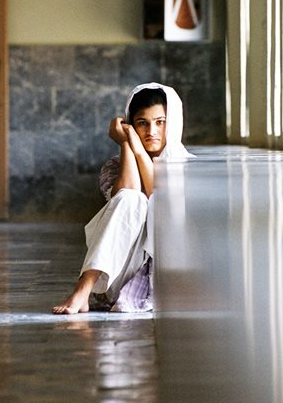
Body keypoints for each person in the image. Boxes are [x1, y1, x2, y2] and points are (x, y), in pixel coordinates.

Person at [52, 82, 193, 314]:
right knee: (129, 198)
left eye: (160, 122)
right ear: (130, 125)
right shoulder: (114, 166)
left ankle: (82, 291)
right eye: (142, 123)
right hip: (122, 274)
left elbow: (160, 197)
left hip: (168, 274)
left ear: (173, 123)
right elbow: (125, 194)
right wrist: (126, 144)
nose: (151, 131)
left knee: (152, 201)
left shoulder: (185, 165)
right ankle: (82, 291)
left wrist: (138, 150)